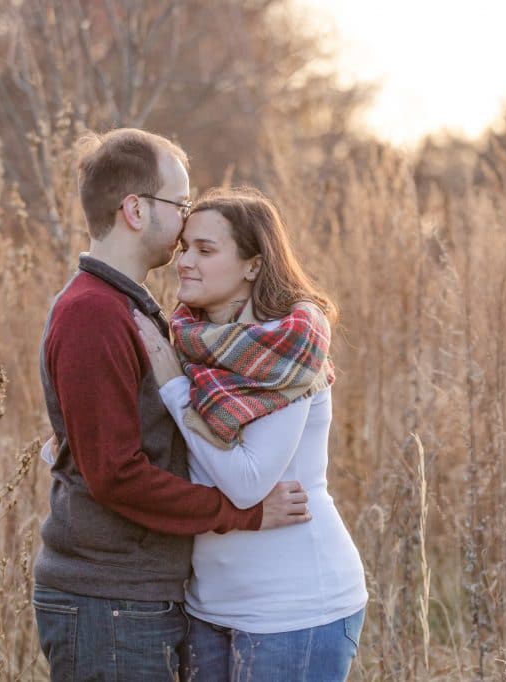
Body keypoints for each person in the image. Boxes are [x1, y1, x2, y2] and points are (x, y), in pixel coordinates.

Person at [34, 129, 311, 681]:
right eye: (180, 204)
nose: (187, 220)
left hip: (129, 596)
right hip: (109, 601)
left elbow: (109, 443)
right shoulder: (95, 312)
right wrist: (245, 514)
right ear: (135, 209)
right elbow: (116, 476)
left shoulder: (126, 307)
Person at [131, 187, 367, 681]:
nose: (186, 262)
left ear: (253, 265)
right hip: (208, 606)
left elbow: (246, 483)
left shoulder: (288, 350)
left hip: (296, 610)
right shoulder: (189, 344)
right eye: (185, 248)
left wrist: (174, 387)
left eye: (206, 250)